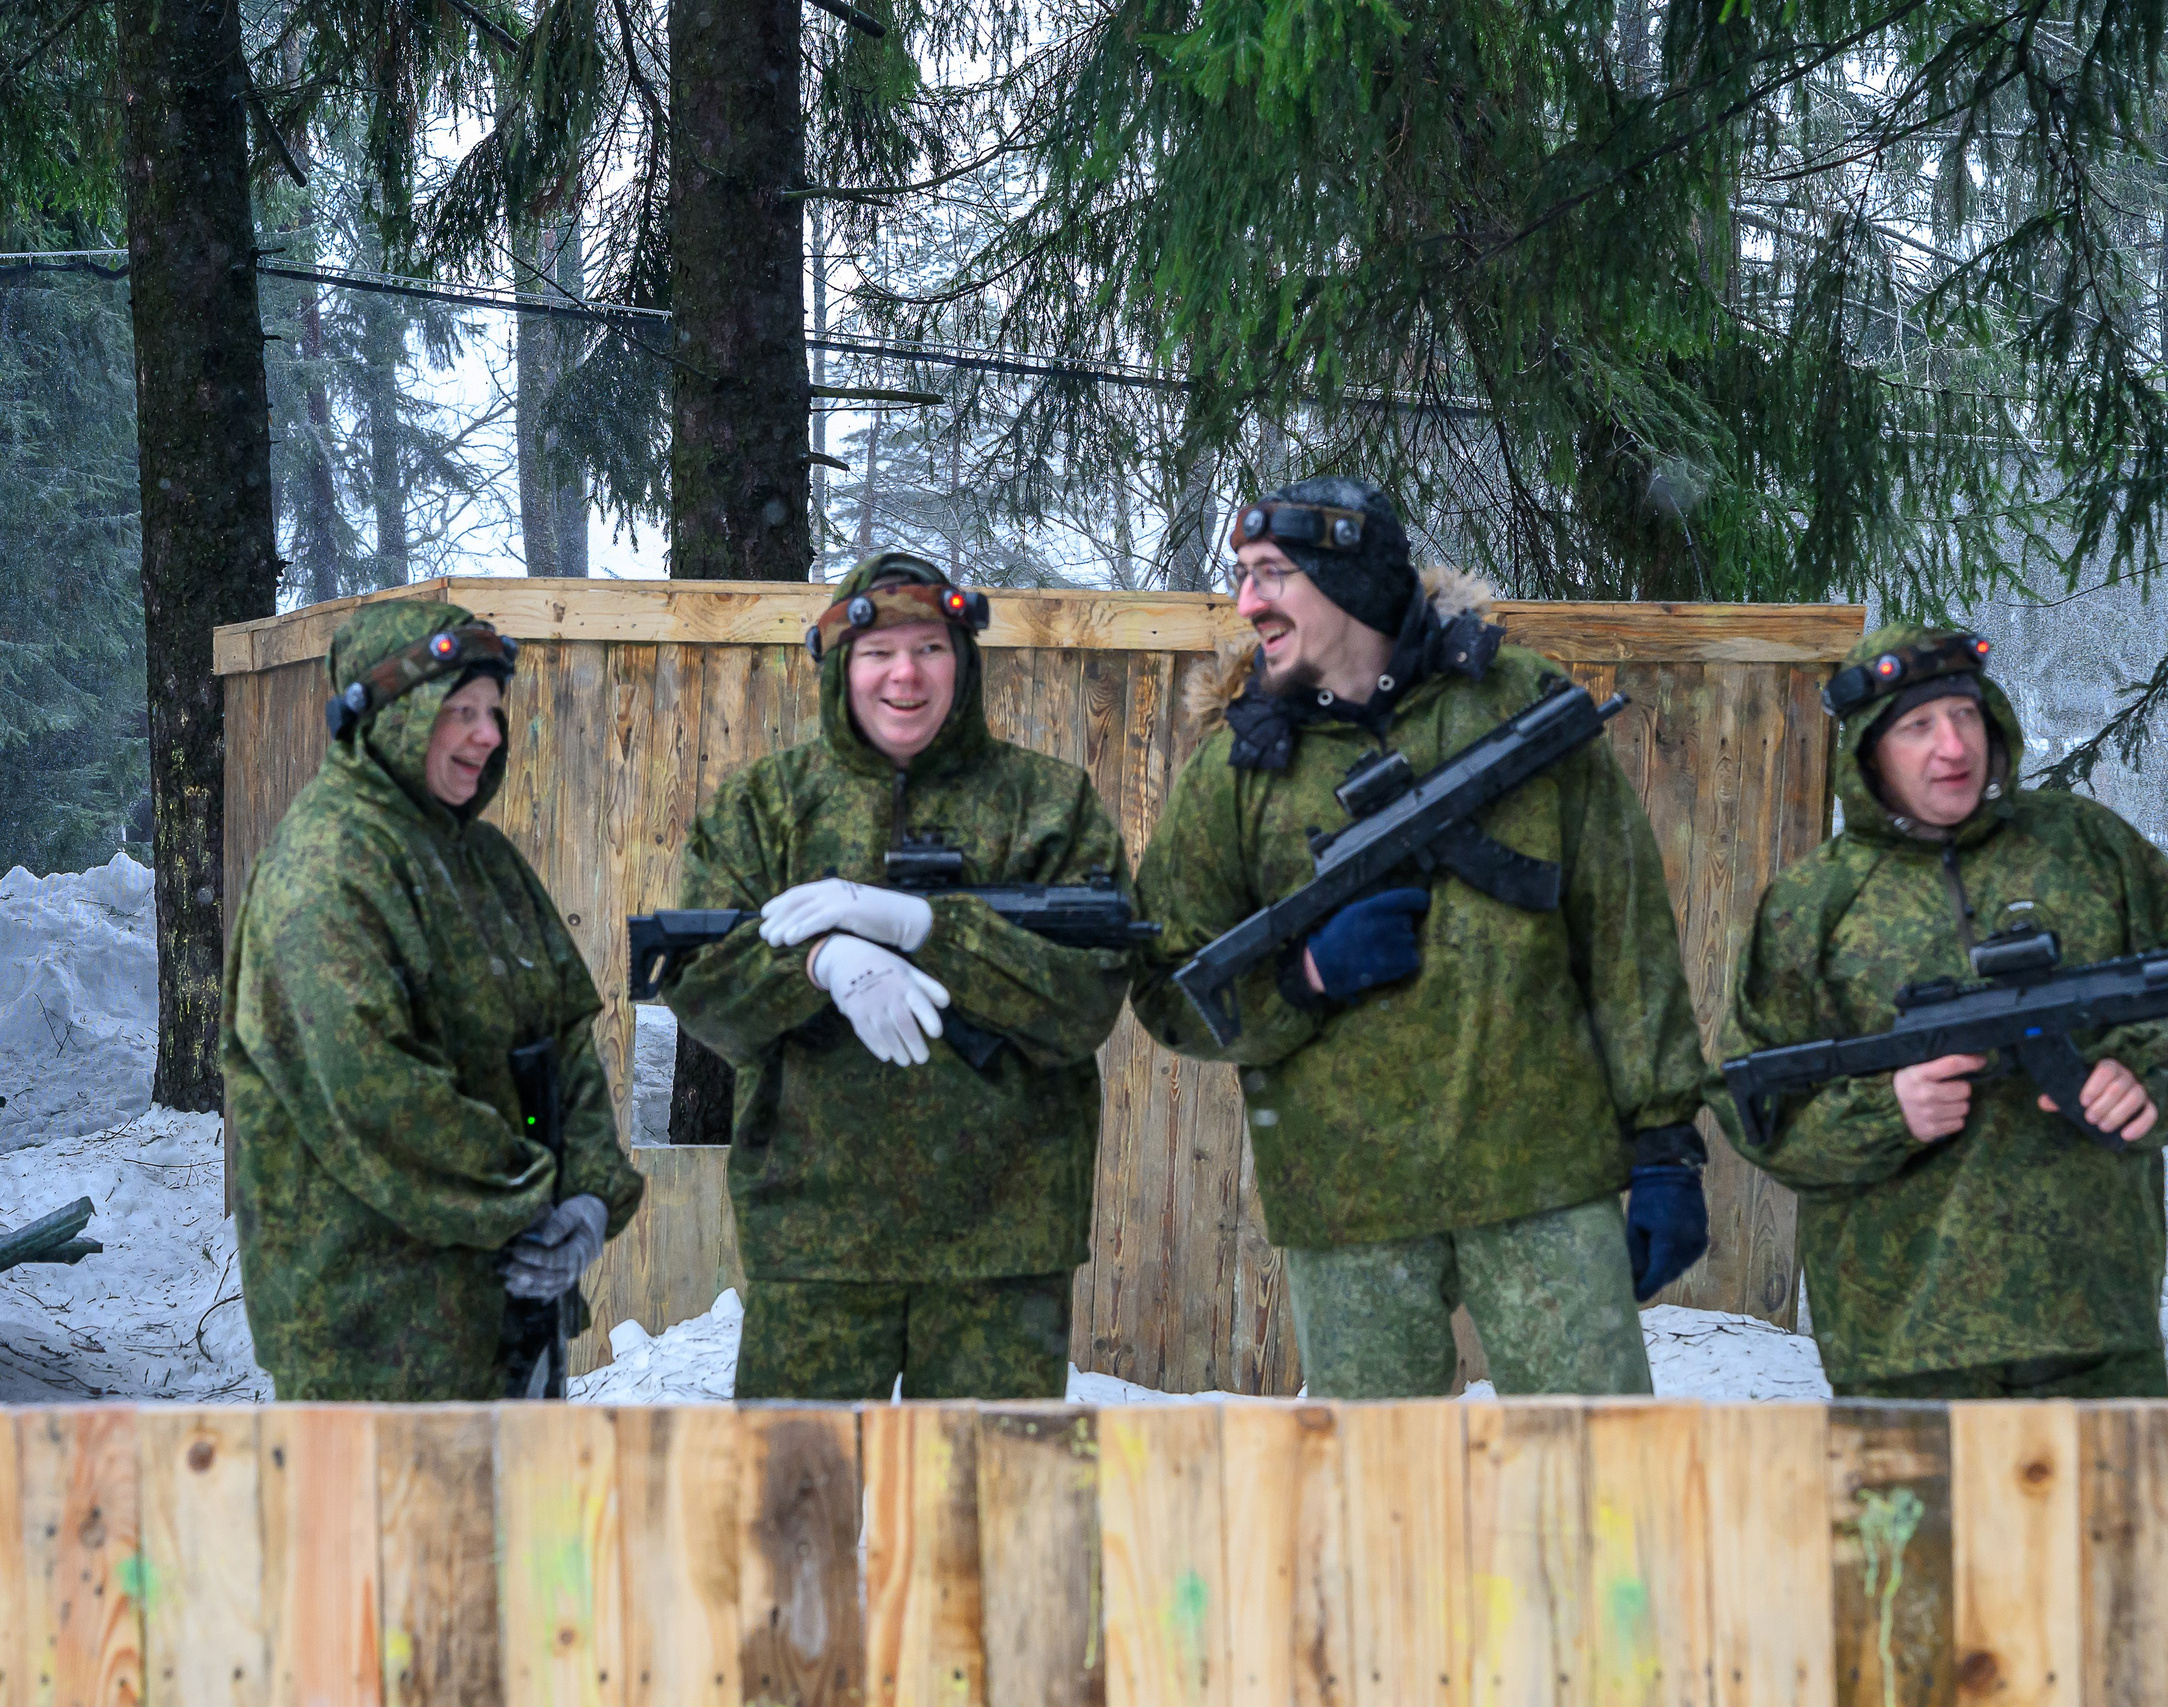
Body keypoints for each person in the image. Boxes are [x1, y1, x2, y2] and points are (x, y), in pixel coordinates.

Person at [1131, 477, 1710, 1399]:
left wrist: (1666, 1139)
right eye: (1243, 576)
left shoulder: (1517, 704)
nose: (1247, 604)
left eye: (1273, 574)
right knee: (1379, 1479)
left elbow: (1624, 932)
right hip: (1350, 1200)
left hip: (1544, 1174)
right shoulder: (1235, 771)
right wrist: (1304, 978)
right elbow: (1166, 986)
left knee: (1595, 1468)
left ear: (1351, 581)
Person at [1704, 624, 2168, 1399]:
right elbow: (1748, 1101)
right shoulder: (1812, 903)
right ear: (1869, 750)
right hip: (1899, 1348)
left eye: (1964, 715)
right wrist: (1887, 1111)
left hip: (2095, 1330)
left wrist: (2154, 1075)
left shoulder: (2089, 847)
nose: (1952, 746)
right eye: (1918, 726)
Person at [661, 551, 1134, 1401]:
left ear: (964, 661)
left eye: (930, 649)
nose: (905, 674)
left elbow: (1084, 1000)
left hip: (1004, 1242)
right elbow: (701, 985)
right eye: (878, 652)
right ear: (841, 664)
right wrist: (819, 960)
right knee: (802, 1481)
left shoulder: (1048, 804)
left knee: (984, 1485)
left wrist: (933, 930)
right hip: (813, 1237)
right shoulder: (765, 806)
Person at [224, 601, 644, 1401]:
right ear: (394, 715)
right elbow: (373, 1093)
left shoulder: (486, 862)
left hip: (508, 1322)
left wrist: (588, 1196)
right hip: (377, 1346)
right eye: (460, 711)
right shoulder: (324, 868)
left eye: (492, 710)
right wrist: (532, 1196)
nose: (487, 734)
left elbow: (563, 1044)